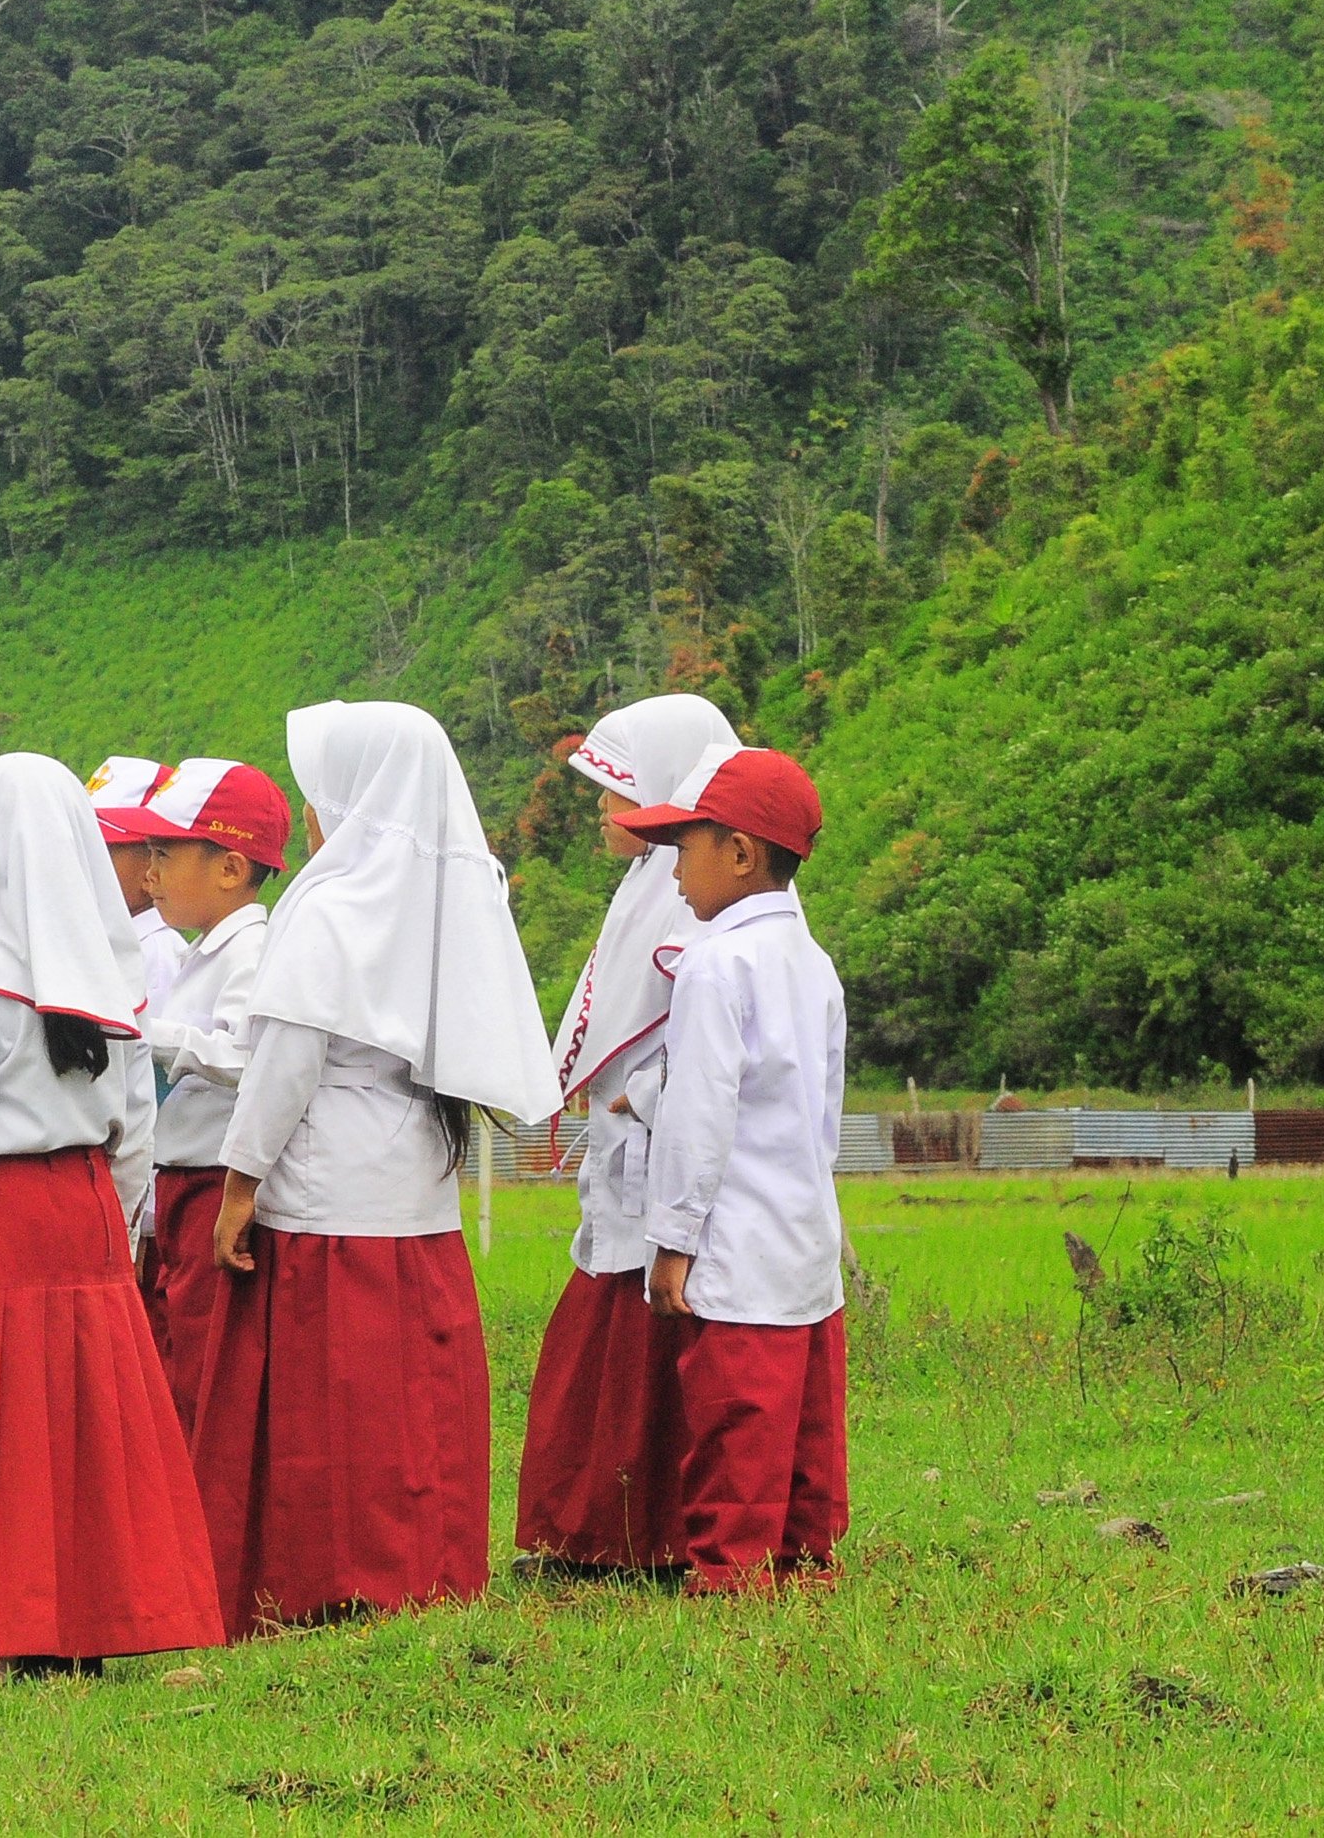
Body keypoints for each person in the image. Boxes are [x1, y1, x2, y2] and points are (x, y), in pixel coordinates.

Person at [199, 702, 559, 1633]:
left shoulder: (331, 904)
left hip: (328, 1188)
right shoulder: (449, 897)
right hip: (417, 1180)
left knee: (336, 1403)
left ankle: (329, 1583)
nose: (308, 813)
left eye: (320, 791)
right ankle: (428, 1570)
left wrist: (239, 1183)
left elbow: (285, 1065)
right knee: (413, 1395)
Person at [0, 754, 223, 1687]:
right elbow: (136, 1124)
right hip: (85, 1205)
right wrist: (117, 1223)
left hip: (7, 1209)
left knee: (12, 1421)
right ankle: (123, 1621)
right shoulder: (109, 968)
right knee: (100, 1417)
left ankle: (19, 1635)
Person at [611, 744, 851, 1595]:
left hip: (734, 1234)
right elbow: (823, 1112)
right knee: (804, 1424)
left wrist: (672, 1241)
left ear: (741, 853)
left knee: (735, 1417)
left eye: (684, 848)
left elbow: (699, 1112)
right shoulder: (811, 963)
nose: (674, 872)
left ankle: (731, 1576)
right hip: (801, 1232)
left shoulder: (714, 962)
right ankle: (803, 1562)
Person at [515, 692, 735, 1577]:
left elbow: (710, 1026)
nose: (603, 810)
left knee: (651, 1342)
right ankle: (597, 1534)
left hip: (659, 1155)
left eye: (618, 790)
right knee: (606, 1342)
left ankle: (643, 1538)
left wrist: (641, 1094)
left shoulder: (697, 892)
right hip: (629, 1156)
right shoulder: (650, 881)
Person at [115, 758, 290, 1441]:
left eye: (164, 854)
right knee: (178, 1348)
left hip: (216, 1180)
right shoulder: (203, 951)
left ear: (230, 868)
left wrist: (150, 1035)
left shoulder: (251, 952)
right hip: (181, 1179)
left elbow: (250, 1059)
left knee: (204, 1357)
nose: (149, 873)